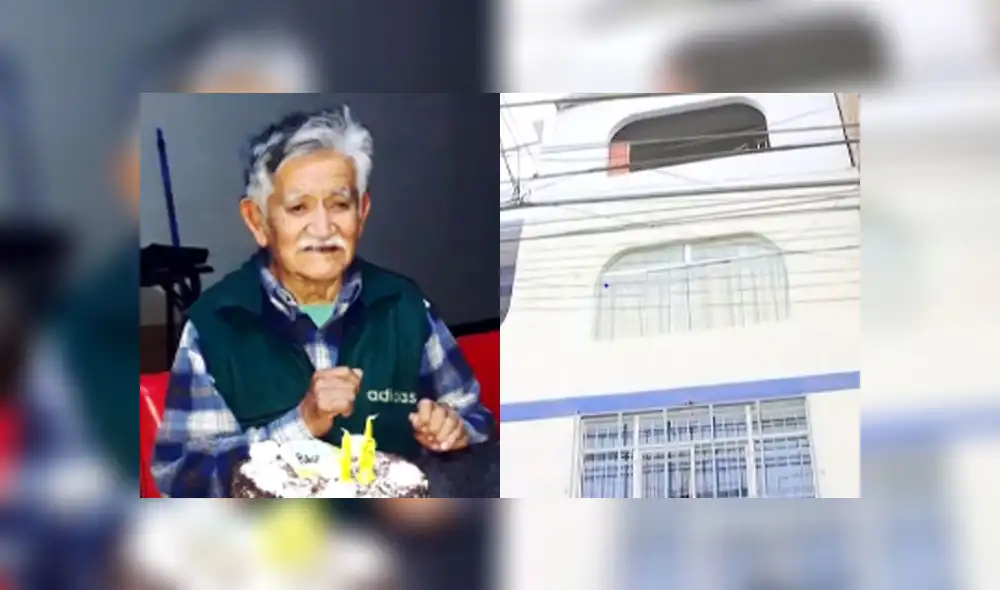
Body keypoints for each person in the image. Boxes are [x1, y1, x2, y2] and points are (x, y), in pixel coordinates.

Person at [151, 106, 495, 498]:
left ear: (362, 214)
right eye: (298, 208)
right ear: (258, 221)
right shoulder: (216, 326)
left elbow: (476, 418)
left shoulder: (405, 306)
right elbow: (183, 477)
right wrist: (300, 425)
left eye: (339, 204)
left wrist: (454, 428)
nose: (323, 228)